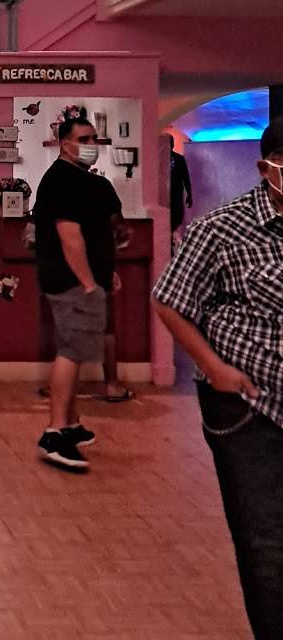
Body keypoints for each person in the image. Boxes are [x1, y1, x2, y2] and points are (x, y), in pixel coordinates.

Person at [152, 118, 283, 640]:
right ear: (266, 169)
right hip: (249, 408)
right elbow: (169, 301)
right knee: (266, 542)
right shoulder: (221, 230)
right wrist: (214, 368)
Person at [32, 117, 124, 470]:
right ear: (64, 143)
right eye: (83, 139)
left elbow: (97, 234)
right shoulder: (61, 181)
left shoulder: (83, 181)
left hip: (84, 281)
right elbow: (70, 239)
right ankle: (55, 432)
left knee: (75, 351)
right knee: (70, 353)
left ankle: (69, 424)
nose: (91, 145)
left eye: (94, 138)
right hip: (72, 283)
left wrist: (104, 272)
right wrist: (87, 284)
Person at [169, 136, 194, 235]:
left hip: (176, 194)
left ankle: (171, 236)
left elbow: (185, 177)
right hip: (164, 195)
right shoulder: (158, 159)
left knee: (177, 217)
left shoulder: (179, 159)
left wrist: (189, 194)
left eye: (171, 143)